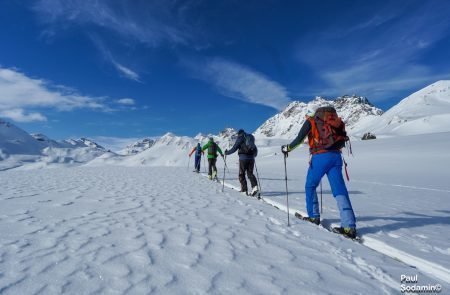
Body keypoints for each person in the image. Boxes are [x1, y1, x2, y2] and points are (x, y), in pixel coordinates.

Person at [281, 107, 357, 238]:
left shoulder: (311, 120)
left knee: (310, 186)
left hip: (320, 157)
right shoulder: (333, 119)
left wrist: (287, 148)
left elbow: (299, 139)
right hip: (336, 157)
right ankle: (349, 226)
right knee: (340, 190)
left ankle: (313, 216)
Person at [225, 129, 259, 196]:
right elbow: (254, 148)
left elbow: (234, 148)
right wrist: (253, 156)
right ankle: (255, 187)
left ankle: (244, 190)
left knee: (241, 174)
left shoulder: (240, 137)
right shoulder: (251, 137)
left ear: (239, 133)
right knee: (250, 173)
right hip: (251, 158)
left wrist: (227, 153)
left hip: (243, 158)